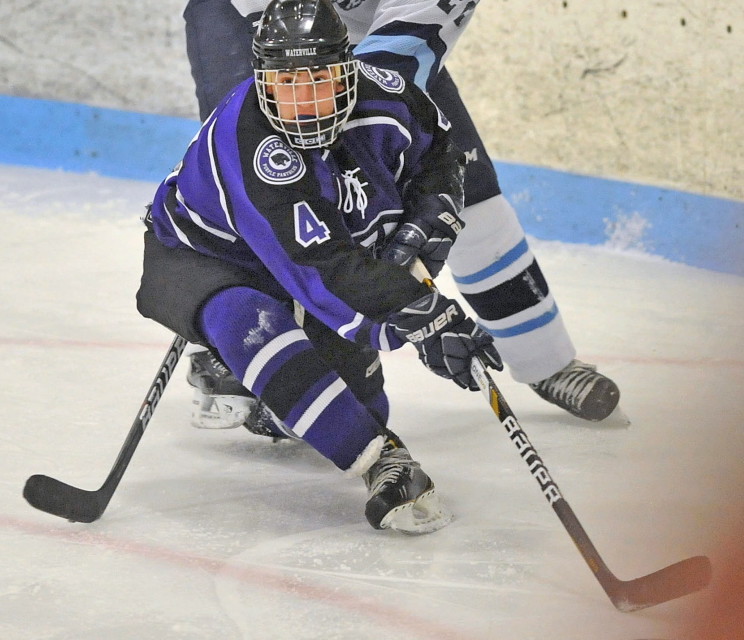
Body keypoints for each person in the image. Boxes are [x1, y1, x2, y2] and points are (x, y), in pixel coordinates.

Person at [137, 0, 502, 533]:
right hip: (202, 255)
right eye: (288, 86)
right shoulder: (254, 143)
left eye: (321, 81)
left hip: (313, 257)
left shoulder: (388, 95)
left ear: (348, 67)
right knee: (250, 321)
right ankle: (384, 460)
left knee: (363, 403)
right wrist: (424, 313)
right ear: (261, 78)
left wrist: (428, 226)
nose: (305, 105)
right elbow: (323, 266)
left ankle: (258, 392)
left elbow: (440, 155)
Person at [179, 0, 622, 431]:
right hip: (255, 26)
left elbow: (418, 26)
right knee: (263, 195)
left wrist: (374, 104)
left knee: (469, 193)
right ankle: (241, 347)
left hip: (377, 41)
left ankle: (545, 358)